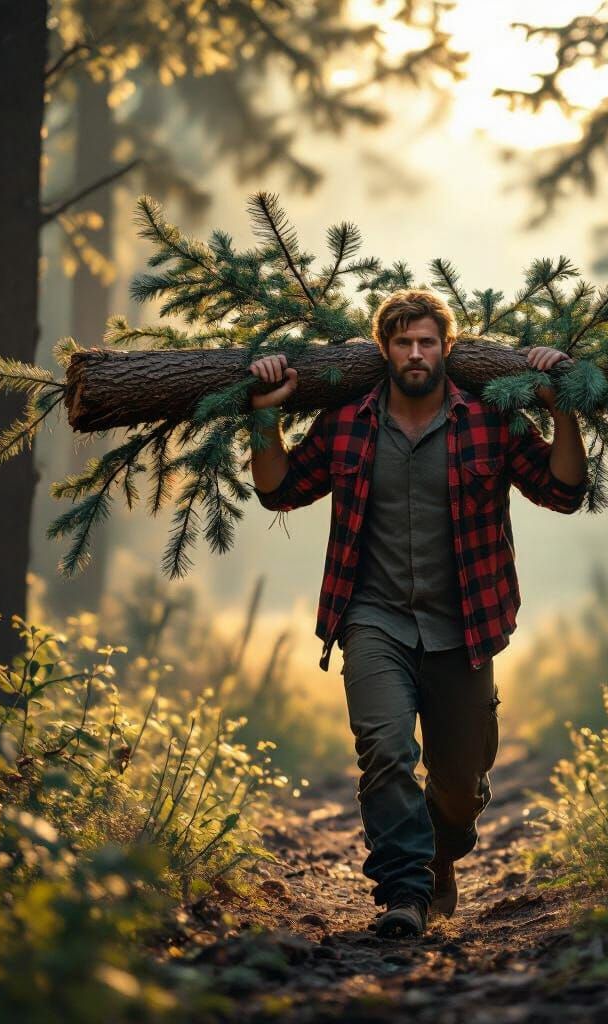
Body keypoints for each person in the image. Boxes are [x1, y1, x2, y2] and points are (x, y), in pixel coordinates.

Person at [247, 289, 587, 939]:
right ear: (384, 350)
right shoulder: (349, 421)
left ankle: (439, 854)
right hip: (373, 619)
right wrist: (265, 417)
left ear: (447, 349)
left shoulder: (489, 418)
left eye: (427, 341)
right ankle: (403, 891)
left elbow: (563, 490)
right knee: (384, 748)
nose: (415, 353)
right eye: (402, 342)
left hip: (465, 625)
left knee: (460, 785)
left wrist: (564, 410)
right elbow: (279, 489)